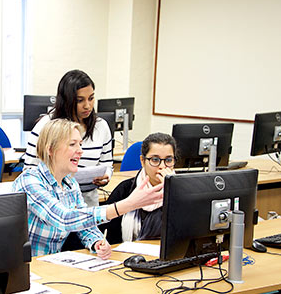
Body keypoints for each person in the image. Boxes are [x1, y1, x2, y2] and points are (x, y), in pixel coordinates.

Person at [13, 119, 164, 258]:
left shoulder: (70, 184)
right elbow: (64, 218)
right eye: (72, 144)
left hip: (50, 264)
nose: (80, 151)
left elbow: (84, 228)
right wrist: (126, 205)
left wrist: (96, 241)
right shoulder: (30, 181)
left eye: (80, 144)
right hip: (25, 267)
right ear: (50, 149)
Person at [23, 69, 113, 207]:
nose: (87, 105)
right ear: (67, 100)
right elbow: (29, 170)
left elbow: (107, 165)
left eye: (91, 98)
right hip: (52, 204)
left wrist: (105, 177)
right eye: (80, 100)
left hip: (88, 203)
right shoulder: (45, 126)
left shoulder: (101, 127)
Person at [101, 132, 177, 244]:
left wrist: (174, 189)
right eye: (155, 160)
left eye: (168, 160)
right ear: (142, 161)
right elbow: (107, 233)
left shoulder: (183, 192)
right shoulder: (125, 190)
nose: (162, 166)